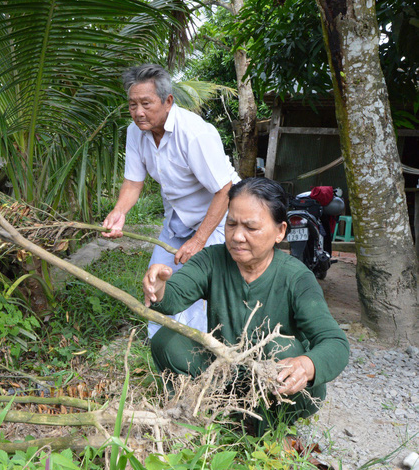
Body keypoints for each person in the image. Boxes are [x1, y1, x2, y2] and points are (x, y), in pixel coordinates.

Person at [143, 177, 349, 434]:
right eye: (231, 224)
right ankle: (200, 410)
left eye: (251, 228)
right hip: (223, 372)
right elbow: (174, 296)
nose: (237, 236)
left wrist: (307, 365)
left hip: (277, 383)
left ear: (280, 231)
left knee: (281, 347)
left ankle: (271, 428)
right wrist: (159, 288)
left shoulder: (296, 278)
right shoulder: (213, 260)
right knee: (167, 339)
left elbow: (335, 342)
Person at [101, 64, 240, 337]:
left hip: (219, 214)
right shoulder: (135, 132)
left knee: (201, 284)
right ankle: (160, 344)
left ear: (168, 101)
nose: (138, 112)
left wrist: (199, 241)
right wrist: (119, 212)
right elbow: (133, 181)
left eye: (146, 103)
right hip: (178, 217)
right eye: (132, 105)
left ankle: (202, 349)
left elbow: (224, 189)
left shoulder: (194, 133)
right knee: (156, 279)